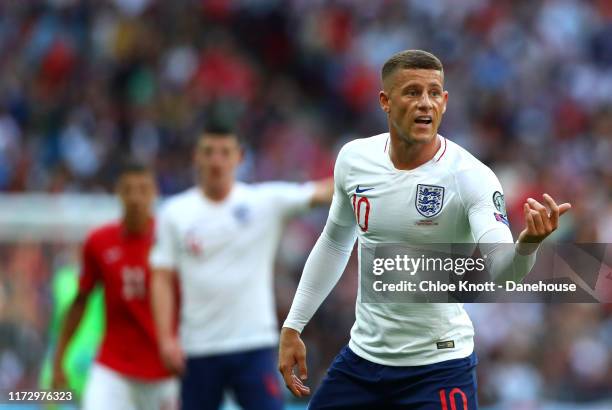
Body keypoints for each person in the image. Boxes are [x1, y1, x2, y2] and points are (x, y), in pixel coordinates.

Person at [278, 50, 572, 409]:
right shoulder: (354, 160)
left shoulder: (471, 178)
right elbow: (335, 243)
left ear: (445, 102)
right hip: (363, 362)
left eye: (434, 92)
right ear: (385, 101)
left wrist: (528, 245)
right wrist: (294, 325)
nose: (425, 103)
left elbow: (503, 271)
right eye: (413, 92)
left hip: (438, 368)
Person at [149, 123, 334, 410]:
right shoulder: (175, 213)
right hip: (198, 347)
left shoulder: (264, 202)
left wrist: (371, 168)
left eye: (224, 152)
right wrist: (165, 339)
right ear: (196, 156)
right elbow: (161, 278)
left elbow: (323, 192)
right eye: (209, 152)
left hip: (253, 343)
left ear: (239, 156)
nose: (216, 160)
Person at [52, 162, 178, 410]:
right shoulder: (98, 242)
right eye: (128, 190)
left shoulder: (171, 239)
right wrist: (59, 360)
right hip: (113, 367)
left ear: (154, 193)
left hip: (164, 369)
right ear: (118, 193)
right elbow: (80, 302)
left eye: (142, 189)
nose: (135, 198)